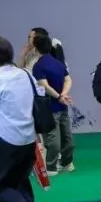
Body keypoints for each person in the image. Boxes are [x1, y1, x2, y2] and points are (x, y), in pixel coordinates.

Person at [0, 37, 54, 202]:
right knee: (19, 183)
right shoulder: (25, 74)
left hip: (8, 140)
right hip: (29, 139)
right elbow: (39, 94)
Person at [31, 33, 74, 176]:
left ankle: (51, 167)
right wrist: (63, 95)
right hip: (62, 106)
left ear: (35, 48)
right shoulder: (58, 63)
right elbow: (68, 79)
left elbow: (44, 85)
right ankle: (66, 163)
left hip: (50, 107)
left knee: (53, 138)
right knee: (67, 137)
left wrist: (59, 96)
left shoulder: (38, 66)